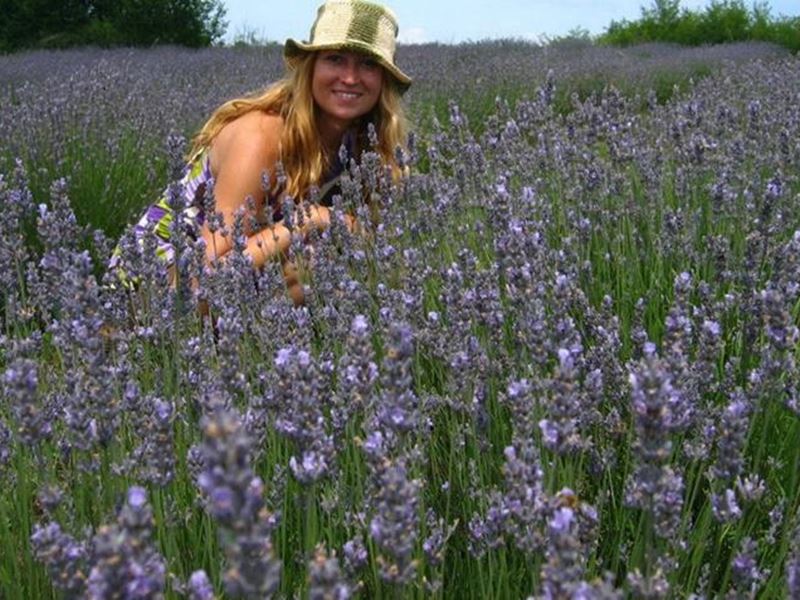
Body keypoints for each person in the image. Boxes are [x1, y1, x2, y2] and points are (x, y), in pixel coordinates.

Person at [112, 0, 411, 305]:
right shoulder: (260, 137)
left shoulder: (365, 146)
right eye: (335, 59)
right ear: (311, 68)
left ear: (383, 80)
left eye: (368, 64)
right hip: (156, 285)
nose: (350, 77)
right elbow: (201, 276)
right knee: (308, 268)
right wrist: (308, 220)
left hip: (235, 279)